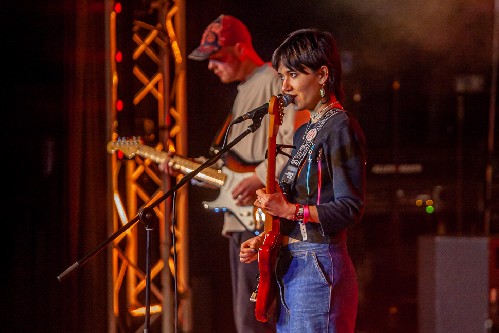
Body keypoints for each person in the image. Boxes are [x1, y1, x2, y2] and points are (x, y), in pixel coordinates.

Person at [160, 14, 300, 333]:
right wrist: (188, 169)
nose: (211, 67)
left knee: (255, 321)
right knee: (247, 321)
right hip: (242, 220)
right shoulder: (244, 91)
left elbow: (294, 144)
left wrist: (258, 177)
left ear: (239, 49)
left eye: (217, 58)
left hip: (261, 219)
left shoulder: (273, 82)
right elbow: (234, 164)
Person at [239, 28, 367, 333]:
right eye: (283, 77)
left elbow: (350, 207)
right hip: (294, 265)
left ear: (323, 75)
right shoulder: (303, 132)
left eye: (293, 75)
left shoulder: (340, 127)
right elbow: (299, 204)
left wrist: (289, 211)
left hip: (319, 265)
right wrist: (269, 238)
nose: (285, 87)